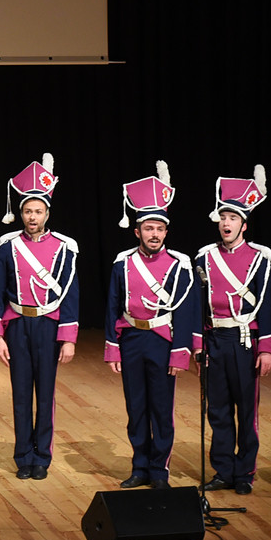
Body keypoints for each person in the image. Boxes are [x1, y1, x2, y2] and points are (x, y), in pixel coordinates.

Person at [104, 161, 197, 489]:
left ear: (166, 232)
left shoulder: (180, 265)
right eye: (148, 228)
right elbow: (113, 306)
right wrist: (113, 348)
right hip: (131, 340)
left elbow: (185, 311)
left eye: (159, 228)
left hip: (162, 342)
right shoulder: (123, 263)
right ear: (137, 232)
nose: (154, 234)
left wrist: (180, 352)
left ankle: (159, 471)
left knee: (161, 410)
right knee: (136, 409)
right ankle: (139, 467)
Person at [0, 154, 79, 481]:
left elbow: (70, 295)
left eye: (38, 211)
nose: (32, 216)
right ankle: (22, 456)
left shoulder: (65, 248)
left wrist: (68, 339)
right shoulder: (7, 247)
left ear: (47, 214)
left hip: (48, 327)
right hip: (17, 326)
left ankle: (42, 456)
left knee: (45, 393)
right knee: (20, 394)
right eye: (28, 211)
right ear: (21, 213)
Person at [192, 166, 271, 496]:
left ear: (244, 224)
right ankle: (223, 470)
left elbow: (266, 305)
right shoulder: (205, 257)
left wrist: (266, 348)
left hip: (245, 342)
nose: (226, 223)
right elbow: (198, 306)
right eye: (223, 217)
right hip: (215, 340)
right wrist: (198, 345)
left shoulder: (260, 258)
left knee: (246, 410)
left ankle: (245, 472)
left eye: (233, 218)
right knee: (218, 410)